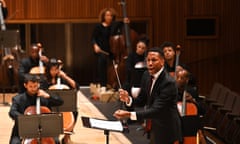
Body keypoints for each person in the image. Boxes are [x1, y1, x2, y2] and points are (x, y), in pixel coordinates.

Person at [114, 47, 181, 144]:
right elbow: (142, 99)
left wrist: (129, 114)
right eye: (148, 60)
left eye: (154, 60)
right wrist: (128, 99)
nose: (150, 63)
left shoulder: (168, 83)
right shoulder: (146, 75)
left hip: (167, 130)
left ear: (162, 61)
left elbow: (157, 110)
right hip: (154, 127)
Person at [8, 74, 63, 144]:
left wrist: (48, 96)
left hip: (45, 130)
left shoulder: (44, 95)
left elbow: (60, 102)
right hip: (23, 129)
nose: (33, 89)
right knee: (14, 143)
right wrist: (25, 118)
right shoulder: (18, 99)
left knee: (56, 141)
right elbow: (12, 112)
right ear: (25, 85)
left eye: (35, 86)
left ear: (38, 85)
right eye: (30, 86)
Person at [41, 58, 79, 144]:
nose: (54, 72)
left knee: (75, 112)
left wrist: (65, 76)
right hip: (49, 105)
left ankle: (66, 137)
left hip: (62, 105)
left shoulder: (61, 78)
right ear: (48, 70)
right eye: (52, 69)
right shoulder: (43, 80)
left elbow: (76, 87)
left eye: (56, 69)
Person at [91, 8, 128, 87]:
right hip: (101, 51)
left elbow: (123, 23)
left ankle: (114, 84)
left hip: (112, 52)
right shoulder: (98, 27)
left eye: (111, 15)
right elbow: (93, 38)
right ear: (103, 16)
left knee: (114, 68)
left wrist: (125, 22)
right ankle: (102, 85)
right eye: (107, 15)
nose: (109, 17)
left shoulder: (114, 26)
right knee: (102, 66)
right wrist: (95, 45)